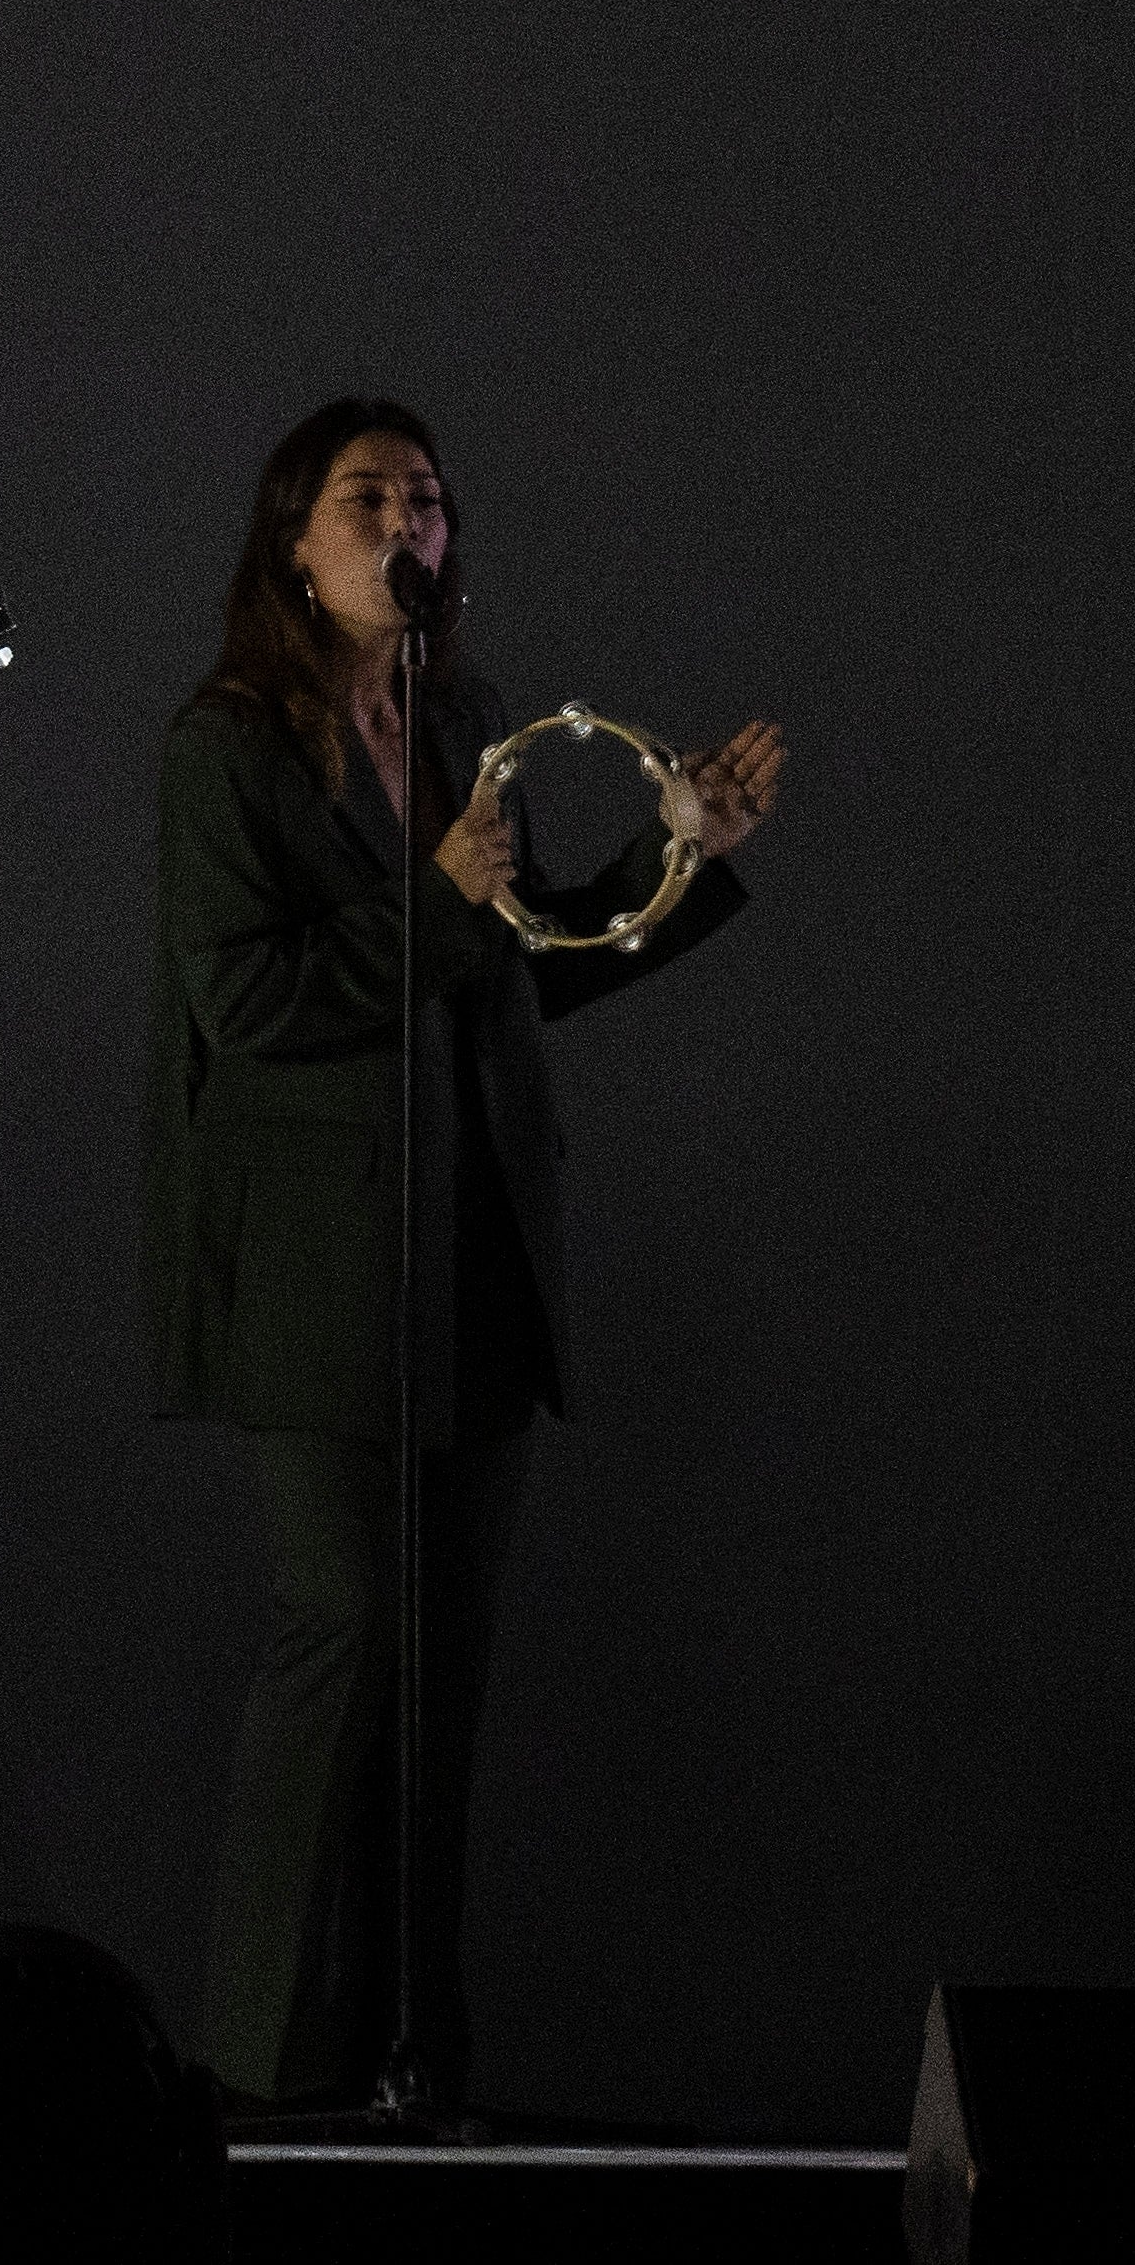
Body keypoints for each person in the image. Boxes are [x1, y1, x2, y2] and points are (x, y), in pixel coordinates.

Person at [141, 398, 784, 2113]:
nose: (405, 526)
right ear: (292, 538)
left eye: (425, 501)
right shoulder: (227, 749)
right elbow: (248, 1004)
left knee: (447, 1690)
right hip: (317, 1270)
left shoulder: (462, 720)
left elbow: (515, 972)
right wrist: (428, 898)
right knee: (339, 1634)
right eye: (367, 499)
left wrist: (676, 864)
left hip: (474, 1254)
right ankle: (259, 2076)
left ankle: (413, 2067)